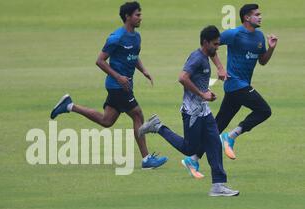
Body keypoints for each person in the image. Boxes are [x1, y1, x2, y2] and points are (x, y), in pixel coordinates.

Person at [50, 1, 168, 169]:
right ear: (127, 17)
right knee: (137, 115)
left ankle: (69, 105)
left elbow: (132, 56)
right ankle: (146, 159)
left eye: (140, 14)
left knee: (107, 121)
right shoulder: (116, 38)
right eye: (137, 15)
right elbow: (100, 61)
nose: (140, 18)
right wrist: (118, 77)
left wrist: (143, 70)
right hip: (117, 86)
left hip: (125, 85)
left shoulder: (136, 37)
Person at [138, 26, 239, 197]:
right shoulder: (197, 58)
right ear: (205, 43)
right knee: (189, 148)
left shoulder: (207, 53)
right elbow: (182, 78)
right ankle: (158, 127)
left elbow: (214, 54)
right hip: (192, 112)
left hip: (203, 111)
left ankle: (218, 185)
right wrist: (202, 94)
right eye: (215, 44)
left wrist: (221, 69)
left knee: (214, 143)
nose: (217, 48)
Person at [184, 4, 278, 176]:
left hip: (239, 87)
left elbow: (262, 61)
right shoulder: (234, 34)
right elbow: (212, 47)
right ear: (247, 18)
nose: (260, 17)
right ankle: (232, 136)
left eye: (260, 14)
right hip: (235, 84)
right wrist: (220, 68)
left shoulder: (258, 37)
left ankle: (193, 158)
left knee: (217, 126)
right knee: (264, 110)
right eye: (257, 15)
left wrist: (271, 48)